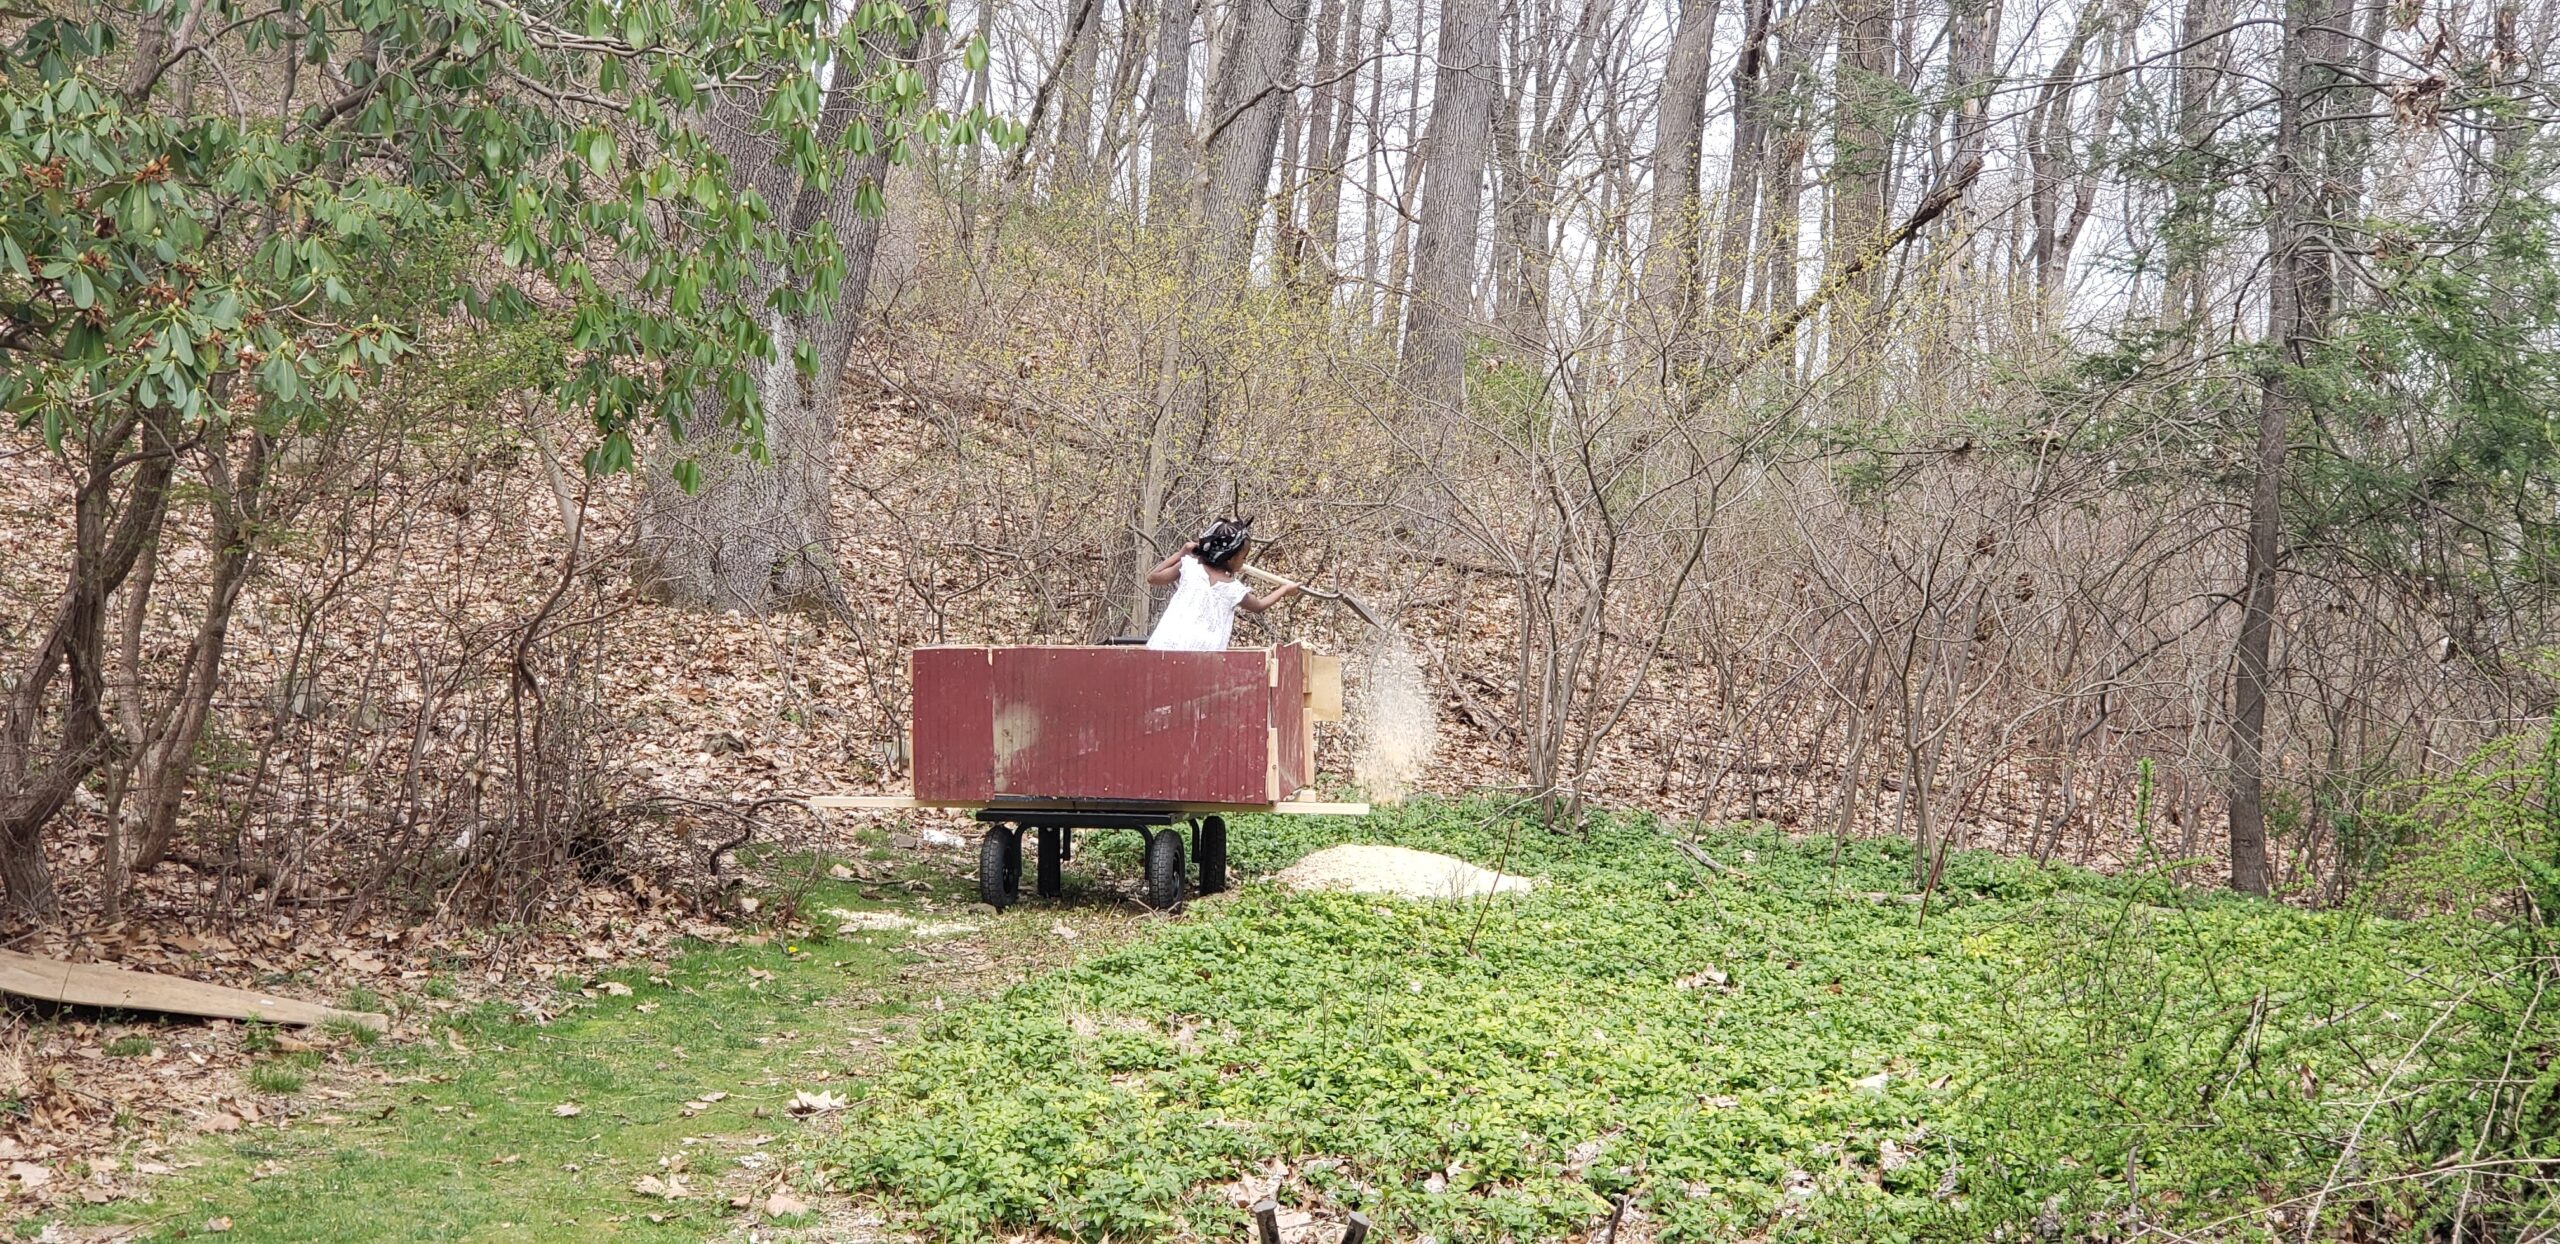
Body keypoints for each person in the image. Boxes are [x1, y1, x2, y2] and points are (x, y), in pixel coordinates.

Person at [1143, 517, 1301, 651]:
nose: (1244, 561)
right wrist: (1284, 590)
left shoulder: (1190, 567)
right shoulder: (1232, 589)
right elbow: (1259, 606)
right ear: (1231, 558)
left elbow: (1153, 577)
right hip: (1204, 656)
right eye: (1243, 557)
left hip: (1165, 646)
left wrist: (1181, 553)